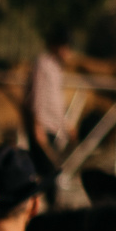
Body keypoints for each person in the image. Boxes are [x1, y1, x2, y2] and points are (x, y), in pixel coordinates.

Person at [23, 31, 77, 172]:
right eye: (64, 46)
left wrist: (66, 124)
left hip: (54, 126)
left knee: (51, 169)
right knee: (44, 169)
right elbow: (37, 96)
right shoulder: (43, 64)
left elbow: (56, 100)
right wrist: (37, 126)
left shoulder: (56, 68)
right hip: (43, 125)